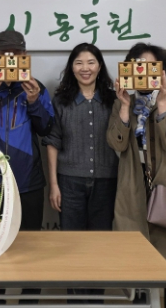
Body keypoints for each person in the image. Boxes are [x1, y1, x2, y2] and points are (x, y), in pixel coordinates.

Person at [106, 42, 166, 307]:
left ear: (162, 72)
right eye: (137, 66)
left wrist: (162, 103)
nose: (143, 72)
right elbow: (116, 144)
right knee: (137, 259)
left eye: (151, 67)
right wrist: (123, 107)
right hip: (134, 185)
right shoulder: (123, 103)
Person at [0, 30, 54, 231]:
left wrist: (34, 102)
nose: (10, 58)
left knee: (29, 240)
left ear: (24, 56)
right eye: (4, 53)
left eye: (16, 53)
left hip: (28, 182)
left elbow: (46, 129)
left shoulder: (36, 87)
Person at [44, 43, 118, 230]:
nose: (85, 68)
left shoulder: (114, 100)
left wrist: (124, 105)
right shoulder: (60, 101)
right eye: (79, 63)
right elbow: (53, 143)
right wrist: (54, 184)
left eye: (91, 63)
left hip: (106, 181)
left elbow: (123, 138)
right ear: (71, 67)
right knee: (72, 239)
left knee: (101, 239)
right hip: (69, 183)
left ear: (99, 67)